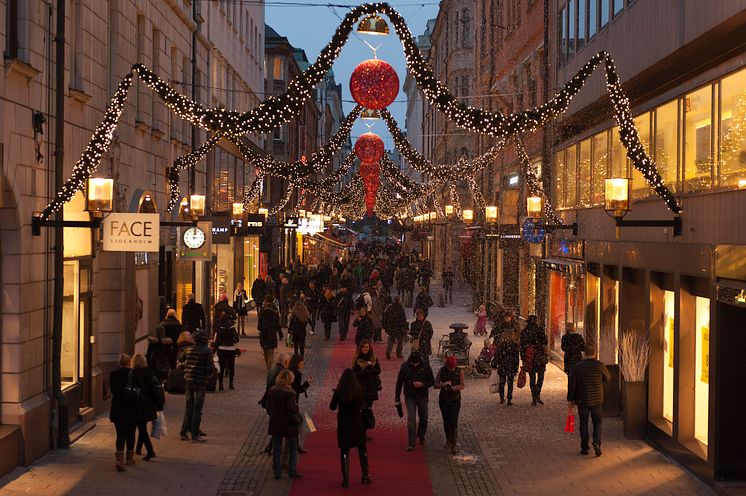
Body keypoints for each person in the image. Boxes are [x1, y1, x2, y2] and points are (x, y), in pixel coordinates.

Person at [568, 343, 611, 457]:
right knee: (597, 422)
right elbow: (608, 378)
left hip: (582, 399)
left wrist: (570, 399)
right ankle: (596, 443)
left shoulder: (578, 366)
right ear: (595, 353)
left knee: (583, 422)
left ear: (584, 354)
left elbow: (572, 384)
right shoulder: (600, 365)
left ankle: (584, 448)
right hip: (597, 399)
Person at [330, 369, 372, 487]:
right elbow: (363, 405)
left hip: (344, 424)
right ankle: (365, 475)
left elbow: (332, 407)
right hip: (358, 423)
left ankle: (346, 479)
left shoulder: (339, 392)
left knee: (344, 451)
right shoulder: (360, 391)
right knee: (362, 449)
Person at [267, 369, 303, 480]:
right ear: (289, 380)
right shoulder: (290, 394)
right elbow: (292, 409)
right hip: (288, 424)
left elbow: (268, 407)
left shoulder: (272, 391)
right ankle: (292, 471)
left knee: (277, 447)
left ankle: (277, 472)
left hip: (276, 422)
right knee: (293, 446)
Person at [178, 329, 213, 443]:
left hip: (189, 380)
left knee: (189, 406)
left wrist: (187, 364)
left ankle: (183, 432)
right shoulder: (206, 351)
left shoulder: (188, 349)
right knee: (197, 408)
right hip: (200, 382)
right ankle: (195, 434)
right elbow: (209, 368)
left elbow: (181, 359)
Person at [395, 351, 434, 451]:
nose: (415, 365)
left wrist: (422, 384)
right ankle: (411, 443)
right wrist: (397, 397)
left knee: (424, 417)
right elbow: (399, 382)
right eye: (413, 364)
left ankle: (421, 435)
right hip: (410, 396)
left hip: (422, 396)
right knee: (411, 420)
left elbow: (431, 381)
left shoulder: (425, 366)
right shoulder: (405, 367)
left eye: (416, 364)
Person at [109, 353, 137, 471]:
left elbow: (113, 391)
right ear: (129, 362)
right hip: (131, 407)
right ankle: (129, 459)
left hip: (117, 407)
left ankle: (119, 460)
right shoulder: (134, 374)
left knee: (120, 434)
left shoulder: (113, 374)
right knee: (130, 433)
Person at [132, 353, 162, 461]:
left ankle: (150, 451)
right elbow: (156, 388)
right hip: (150, 404)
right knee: (142, 425)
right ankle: (139, 448)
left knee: (142, 428)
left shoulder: (135, 373)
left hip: (140, 404)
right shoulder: (150, 372)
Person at [434, 355, 465, 454]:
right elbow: (435, 384)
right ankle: (448, 438)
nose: (452, 369)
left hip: (455, 400)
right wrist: (443, 385)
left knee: (453, 421)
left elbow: (462, 385)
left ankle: (453, 443)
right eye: (450, 368)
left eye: (453, 367)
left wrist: (453, 388)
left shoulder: (459, 371)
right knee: (446, 421)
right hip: (444, 399)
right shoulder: (442, 371)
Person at [352, 340, 381, 440]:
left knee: (367, 410)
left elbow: (378, 370)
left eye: (367, 347)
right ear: (361, 348)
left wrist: (371, 369)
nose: (365, 349)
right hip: (360, 388)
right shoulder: (357, 359)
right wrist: (364, 371)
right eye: (363, 347)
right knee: (361, 410)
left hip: (371, 388)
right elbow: (354, 373)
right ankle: (360, 432)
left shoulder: (373, 358)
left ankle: (364, 432)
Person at [521, 315, 549, 405]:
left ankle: (534, 397)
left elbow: (521, 346)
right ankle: (537, 394)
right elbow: (545, 341)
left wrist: (523, 357)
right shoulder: (539, 330)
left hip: (530, 357)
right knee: (541, 376)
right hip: (539, 356)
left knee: (532, 377)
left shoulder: (524, 332)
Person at [289, 354, 312, 453]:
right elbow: (298, 389)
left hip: (291, 401)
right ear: (298, 363)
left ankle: (296, 444)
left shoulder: (290, 371)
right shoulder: (296, 374)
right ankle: (296, 445)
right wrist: (307, 383)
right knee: (300, 423)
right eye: (303, 363)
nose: (304, 364)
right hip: (293, 402)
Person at [492, 325, 520, 406]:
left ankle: (502, 398)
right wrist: (516, 367)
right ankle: (509, 399)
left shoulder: (501, 345)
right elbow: (516, 357)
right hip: (511, 366)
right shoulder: (514, 345)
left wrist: (495, 363)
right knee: (510, 383)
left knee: (502, 382)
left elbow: (497, 355)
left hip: (502, 366)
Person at [214, 312, 239, 391]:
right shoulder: (232, 329)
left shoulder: (220, 330)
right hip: (231, 350)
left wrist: (213, 350)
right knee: (231, 367)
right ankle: (231, 383)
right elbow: (236, 340)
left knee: (221, 367)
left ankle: (221, 384)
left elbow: (217, 342)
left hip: (221, 349)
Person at [258, 296, 283, 371]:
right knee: (271, 351)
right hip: (272, 334)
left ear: (265, 301)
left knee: (265, 350)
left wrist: (261, 329)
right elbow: (277, 324)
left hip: (264, 334)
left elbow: (259, 326)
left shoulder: (262, 311)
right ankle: (269, 367)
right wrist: (280, 334)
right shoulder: (275, 311)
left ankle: (267, 366)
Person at [382, 295, 408, 360]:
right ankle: (398, 354)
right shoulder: (400, 308)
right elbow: (403, 319)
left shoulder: (390, 308)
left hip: (392, 328)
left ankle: (388, 352)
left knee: (391, 340)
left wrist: (387, 326)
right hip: (399, 327)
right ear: (399, 301)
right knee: (400, 341)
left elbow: (385, 317)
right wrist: (404, 327)